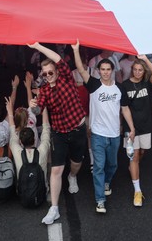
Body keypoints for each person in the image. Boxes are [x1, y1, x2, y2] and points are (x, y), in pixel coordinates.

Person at [73, 40, 135, 214]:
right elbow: (80, 69)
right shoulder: (94, 85)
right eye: (103, 69)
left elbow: (125, 109)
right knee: (99, 166)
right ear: (98, 71)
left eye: (108, 69)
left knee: (113, 165)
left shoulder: (119, 89)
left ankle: (107, 182)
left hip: (114, 134)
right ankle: (100, 200)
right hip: (98, 134)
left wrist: (132, 128)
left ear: (112, 70)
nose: (106, 72)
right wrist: (76, 50)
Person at [28, 42, 87, 225]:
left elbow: (57, 58)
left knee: (76, 163)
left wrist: (37, 46)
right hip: (60, 133)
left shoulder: (66, 78)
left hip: (77, 129)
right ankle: (54, 209)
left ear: (57, 71)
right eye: (44, 74)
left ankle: (73, 177)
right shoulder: (44, 90)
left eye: (50, 72)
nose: (47, 76)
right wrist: (34, 106)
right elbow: (39, 111)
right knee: (56, 170)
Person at [120, 55, 152, 206]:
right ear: (131, 70)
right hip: (131, 128)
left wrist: (145, 59)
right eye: (135, 70)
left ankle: (133, 167)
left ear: (144, 71)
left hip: (146, 125)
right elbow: (124, 108)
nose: (137, 72)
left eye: (140, 70)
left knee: (142, 152)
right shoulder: (124, 85)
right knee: (134, 156)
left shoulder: (146, 84)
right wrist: (130, 128)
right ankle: (137, 191)